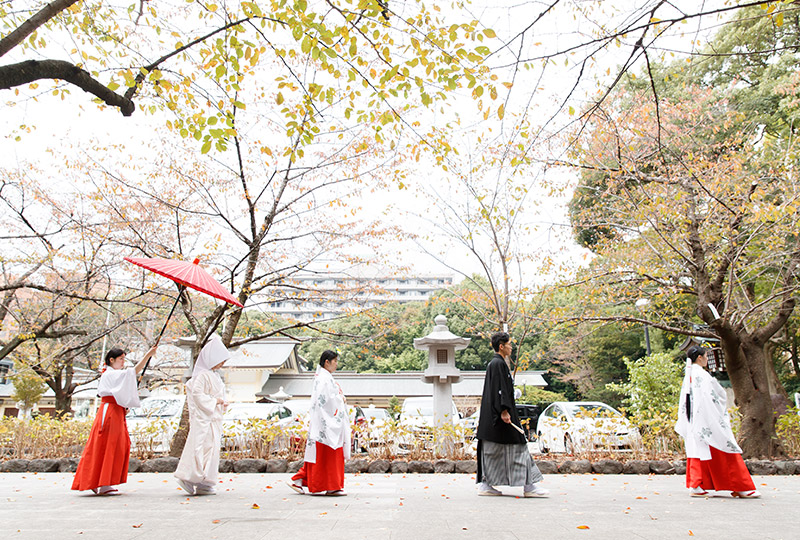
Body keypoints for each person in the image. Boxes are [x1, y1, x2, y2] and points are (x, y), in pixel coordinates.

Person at [72, 343, 158, 495]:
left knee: (115, 444)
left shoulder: (111, 373)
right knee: (109, 445)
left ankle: (102, 481)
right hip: (110, 411)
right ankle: (103, 483)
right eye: (120, 359)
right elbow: (134, 371)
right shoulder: (111, 373)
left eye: (124, 358)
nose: (123, 361)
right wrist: (148, 355)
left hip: (114, 410)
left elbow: (122, 389)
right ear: (111, 360)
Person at [675, 345, 760, 498]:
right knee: (724, 448)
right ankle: (741, 485)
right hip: (706, 418)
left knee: (699, 452)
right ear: (699, 358)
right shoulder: (701, 375)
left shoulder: (691, 374)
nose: (707, 360)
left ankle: (696, 485)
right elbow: (711, 398)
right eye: (706, 357)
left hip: (695, 420)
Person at [475, 332, 548, 497]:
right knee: (518, 446)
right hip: (501, 417)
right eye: (509, 344)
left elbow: (500, 389)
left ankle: (486, 484)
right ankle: (528, 486)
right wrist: (504, 410)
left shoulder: (496, 364)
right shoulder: (498, 364)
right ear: (501, 346)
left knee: (493, 450)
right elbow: (498, 390)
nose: (511, 346)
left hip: (495, 418)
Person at [288, 350, 350, 496]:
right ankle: (330, 485)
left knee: (319, 456)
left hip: (324, 421)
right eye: (334, 361)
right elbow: (326, 400)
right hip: (326, 422)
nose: (336, 365)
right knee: (327, 455)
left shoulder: (324, 377)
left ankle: (299, 480)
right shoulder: (323, 378)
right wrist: (341, 400)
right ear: (326, 362)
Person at [175, 334, 229, 495]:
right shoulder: (202, 375)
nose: (222, 363)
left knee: (211, 449)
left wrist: (220, 402)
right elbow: (198, 395)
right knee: (201, 447)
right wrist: (216, 401)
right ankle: (190, 477)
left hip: (213, 417)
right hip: (205, 419)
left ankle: (206, 481)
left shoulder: (213, 376)